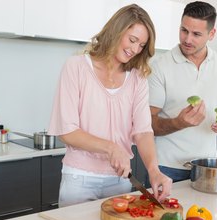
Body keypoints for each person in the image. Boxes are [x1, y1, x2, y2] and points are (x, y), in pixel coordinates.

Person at [48, 4, 172, 207]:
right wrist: (111, 148)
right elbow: (67, 131)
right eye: (132, 40)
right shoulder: (76, 67)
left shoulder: (138, 79)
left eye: (141, 45)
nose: (135, 49)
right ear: (116, 31)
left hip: (120, 181)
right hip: (79, 179)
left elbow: (142, 131)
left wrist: (154, 171)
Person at [148, 1, 217, 182]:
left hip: (208, 167)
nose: (187, 39)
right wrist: (178, 123)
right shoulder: (159, 66)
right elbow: (146, 124)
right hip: (166, 168)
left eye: (196, 34)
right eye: (184, 30)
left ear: (211, 34)